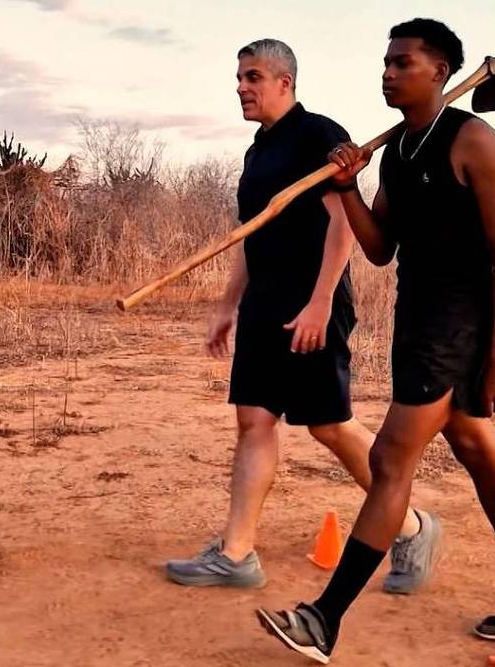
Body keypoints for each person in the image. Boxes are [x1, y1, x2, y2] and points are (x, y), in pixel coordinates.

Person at [257, 20, 495, 664]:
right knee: (478, 450)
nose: (388, 73)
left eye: (403, 63)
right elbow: (378, 249)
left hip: (460, 324)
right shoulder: (398, 150)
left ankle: (324, 618)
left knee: (391, 460)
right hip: (417, 316)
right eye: (385, 63)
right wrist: (345, 187)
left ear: (440, 72)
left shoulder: (476, 142)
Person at [165, 38, 441, 595]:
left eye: (253, 77)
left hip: (314, 306)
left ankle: (411, 527)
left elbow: (342, 223)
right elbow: (251, 235)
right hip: (263, 307)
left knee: (329, 424)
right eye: (239, 77)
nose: (241, 87)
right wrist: (227, 307)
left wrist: (320, 302)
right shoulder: (256, 152)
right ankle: (236, 555)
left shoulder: (318, 135)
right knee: (254, 421)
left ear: (284, 82)